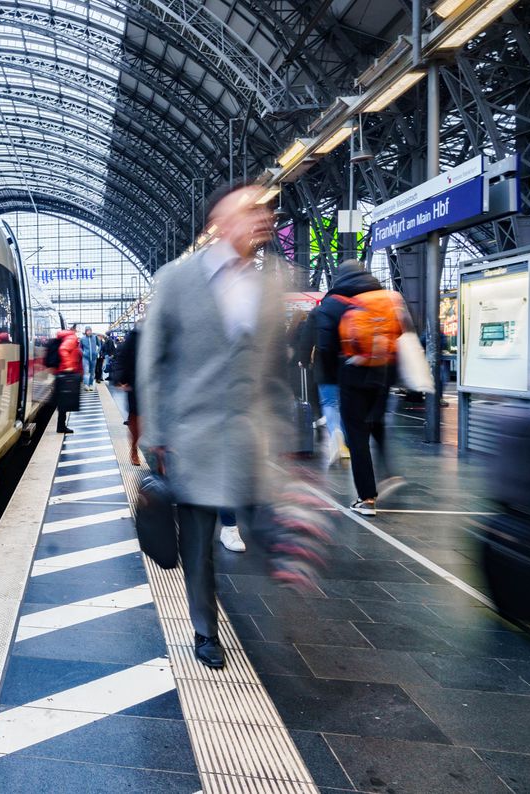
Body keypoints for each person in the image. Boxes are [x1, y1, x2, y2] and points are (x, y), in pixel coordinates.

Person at [138, 183, 288, 669]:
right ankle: (206, 631)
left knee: (267, 535)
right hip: (193, 438)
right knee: (199, 546)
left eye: (265, 208)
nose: (262, 216)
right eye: (249, 209)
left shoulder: (271, 284)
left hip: (249, 437)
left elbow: (271, 367)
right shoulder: (177, 279)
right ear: (217, 223)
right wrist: (155, 435)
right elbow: (152, 361)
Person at [315, 263, 410, 515]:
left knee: (357, 437)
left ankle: (367, 498)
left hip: (352, 373)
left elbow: (325, 345)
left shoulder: (333, 303)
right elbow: (407, 331)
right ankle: (391, 473)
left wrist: (333, 375)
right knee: (377, 425)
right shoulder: (385, 298)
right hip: (384, 372)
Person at [306, 261, 379, 469]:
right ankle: (348, 442)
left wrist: (314, 362)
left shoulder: (326, 307)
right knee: (351, 406)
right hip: (359, 365)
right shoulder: (365, 302)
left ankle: (336, 437)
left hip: (328, 365)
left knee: (330, 404)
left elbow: (321, 341)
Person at [113, 326, 141, 465]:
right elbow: (122, 358)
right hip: (136, 382)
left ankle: (162, 463)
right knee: (136, 418)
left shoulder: (163, 330)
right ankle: (134, 449)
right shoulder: (134, 335)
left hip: (158, 383)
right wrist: (120, 379)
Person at [54, 326, 82, 434]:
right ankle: (61, 426)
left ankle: (61, 425)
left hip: (64, 371)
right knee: (64, 401)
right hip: (66, 372)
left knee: (64, 401)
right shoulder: (71, 338)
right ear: (74, 330)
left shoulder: (68, 337)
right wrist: (69, 365)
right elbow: (63, 349)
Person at [79, 326, 100, 390]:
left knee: (92, 372)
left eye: (90, 330)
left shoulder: (95, 337)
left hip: (93, 358)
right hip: (85, 358)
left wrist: (97, 352)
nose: (89, 332)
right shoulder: (82, 339)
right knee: (86, 371)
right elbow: (80, 347)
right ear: (85, 331)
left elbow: (99, 345)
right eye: (87, 330)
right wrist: (83, 353)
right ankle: (86, 384)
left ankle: (91, 384)